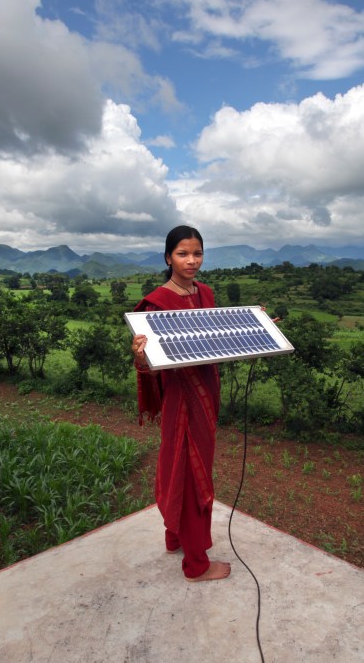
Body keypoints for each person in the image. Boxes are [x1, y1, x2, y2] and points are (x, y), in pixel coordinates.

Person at [131, 225, 231, 582]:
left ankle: (174, 537)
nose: (192, 261)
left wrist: (253, 328)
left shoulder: (206, 293)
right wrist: (141, 358)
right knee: (186, 474)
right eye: (183, 254)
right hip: (182, 402)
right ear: (168, 257)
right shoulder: (156, 303)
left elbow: (214, 340)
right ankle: (196, 564)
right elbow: (149, 367)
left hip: (207, 395)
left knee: (190, 466)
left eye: (198, 253)